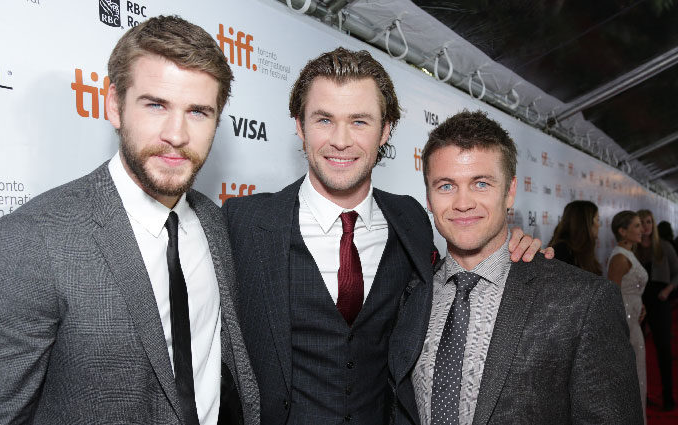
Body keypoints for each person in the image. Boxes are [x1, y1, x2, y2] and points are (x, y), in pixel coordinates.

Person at [0, 16, 258, 425]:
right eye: (156, 105)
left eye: (198, 112)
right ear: (114, 105)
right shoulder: (33, 240)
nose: (177, 134)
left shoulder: (215, 225)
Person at [222, 49, 545, 425]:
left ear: (385, 130)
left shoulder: (411, 219)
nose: (340, 141)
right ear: (299, 125)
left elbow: (455, 275)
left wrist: (510, 247)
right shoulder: (242, 222)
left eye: (359, 122)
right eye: (324, 119)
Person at [397, 110, 642, 425]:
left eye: (481, 183)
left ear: (510, 191)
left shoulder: (584, 302)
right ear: (428, 197)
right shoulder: (410, 294)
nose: (462, 202)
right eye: (446, 186)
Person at [636, 210, 678, 410]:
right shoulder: (633, 248)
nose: (646, 226)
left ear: (653, 224)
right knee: (637, 351)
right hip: (639, 302)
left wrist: (668, 290)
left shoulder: (664, 246)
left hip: (659, 300)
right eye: (641, 222)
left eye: (649, 222)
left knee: (663, 349)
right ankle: (639, 395)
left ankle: (668, 396)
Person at [608, 211, 648, 424]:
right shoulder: (619, 257)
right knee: (632, 380)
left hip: (634, 322)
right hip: (626, 326)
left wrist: (641, 306)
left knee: (638, 378)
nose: (642, 230)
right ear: (622, 231)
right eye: (636, 226)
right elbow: (613, 297)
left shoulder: (629, 253)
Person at [548, 200, 602, 275]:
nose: (599, 225)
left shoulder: (582, 250)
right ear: (585, 222)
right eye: (597, 219)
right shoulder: (562, 250)